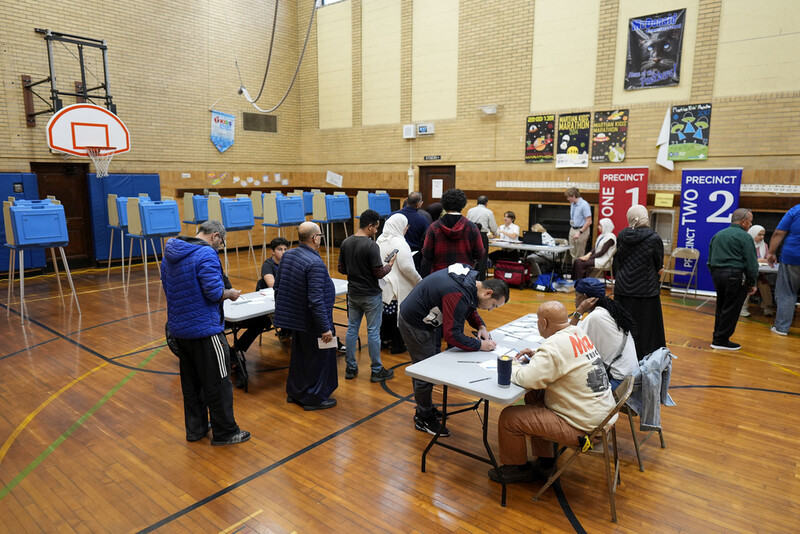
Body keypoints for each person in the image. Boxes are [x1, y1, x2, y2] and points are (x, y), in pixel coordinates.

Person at [488, 301, 616, 483]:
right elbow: (564, 357)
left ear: (543, 323)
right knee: (534, 395)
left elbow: (526, 378)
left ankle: (517, 468)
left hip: (585, 428)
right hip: (602, 416)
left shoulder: (553, 347)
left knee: (510, 417)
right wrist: (538, 355)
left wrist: (513, 365)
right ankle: (546, 461)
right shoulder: (577, 332)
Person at [161, 220, 250, 445]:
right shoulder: (206, 254)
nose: (220, 247)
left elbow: (168, 287)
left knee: (192, 385)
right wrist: (229, 293)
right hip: (206, 330)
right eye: (222, 243)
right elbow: (212, 293)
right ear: (215, 236)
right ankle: (226, 432)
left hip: (180, 330)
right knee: (219, 383)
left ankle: (196, 429)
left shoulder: (171, 253)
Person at [398, 264, 509, 436]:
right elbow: (452, 336)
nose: (490, 310)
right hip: (415, 323)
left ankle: (425, 408)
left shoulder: (470, 281)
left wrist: (480, 325)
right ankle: (423, 417)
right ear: (488, 293)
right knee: (424, 372)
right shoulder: (457, 292)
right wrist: (480, 345)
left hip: (424, 318)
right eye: (493, 305)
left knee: (428, 368)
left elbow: (468, 305)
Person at [274, 222, 338, 410]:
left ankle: (295, 392)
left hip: (296, 318)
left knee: (300, 357)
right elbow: (316, 300)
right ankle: (313, 398)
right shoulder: (315, 263)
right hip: (314, 321)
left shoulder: (289, 255)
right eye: (320, 235)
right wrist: (325, 327)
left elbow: (278, 287)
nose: (320, 239)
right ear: (314, 238)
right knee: (319, 359)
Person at [338, 209, 396, 382]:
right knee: (373, 333)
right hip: (371, 295)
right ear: (370, 226)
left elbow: (341, 269)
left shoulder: (346, 242)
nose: (377, 231)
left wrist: (356, 270)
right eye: (376, 228)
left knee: (352, 329)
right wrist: (390, 265)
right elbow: (379, 273)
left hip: (353, 294)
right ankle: (377, 370)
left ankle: (350, 368)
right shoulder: (371, 245)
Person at [613, 205, 665, 360]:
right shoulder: (654, 238)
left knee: (623, 327)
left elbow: (619, 261)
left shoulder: (621, 235)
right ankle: (647, 360)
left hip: (622, 289)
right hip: (646, 292)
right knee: (648, 330)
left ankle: (622, 358)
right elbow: (658, 264)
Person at [570, 278, 638, 388]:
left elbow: (566, 338)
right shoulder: (610, 311)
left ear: (585, 297)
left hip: (618, 381)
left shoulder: (595, 317)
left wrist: (579, 311)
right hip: (628, 376)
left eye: (576, 295)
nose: (575, 299)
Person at [707, 208, 758, 350]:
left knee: (721, 306)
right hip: (735, 275)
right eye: (750, 222)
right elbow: (751, 263)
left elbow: (710, 260)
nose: (751, 225)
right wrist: (752, 282)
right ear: (743, 222)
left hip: (717, 274)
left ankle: (717, 336)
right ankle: (721, 340)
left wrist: (715, 274)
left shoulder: (718, 235)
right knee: (732, 308)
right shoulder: (745, 237)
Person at [377, 213, 422, 354]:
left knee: (386, 316)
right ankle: (397, 345)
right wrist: (419, 281)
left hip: (383, 284)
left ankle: (384, 341)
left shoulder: (380, 239)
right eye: (406, 226)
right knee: (398, 317)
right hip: (398, 287)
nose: (406, 229)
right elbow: (407, 267)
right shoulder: (400, 243)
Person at [420, 189, 484, 277]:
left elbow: (427, 254)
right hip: (465, 276)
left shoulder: (434, 227)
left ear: (444, 205)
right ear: (463, 204)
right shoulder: (472, 227)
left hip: (440, 275)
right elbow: (479, 253)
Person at [767, 204, 800, 335]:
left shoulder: (796, 210)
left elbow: (779, 233)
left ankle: (781, 328)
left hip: (793, 256)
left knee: (787, 292)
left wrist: (771, 252)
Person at [740, 224, 774, 317]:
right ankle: (743, 308)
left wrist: (767, 260)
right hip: (747, 274)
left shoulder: (765, 246)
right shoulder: (746, 244)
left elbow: (768, 258)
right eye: (759, 235)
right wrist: (755, 260)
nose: (762, 237)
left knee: (765, 286)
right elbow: (742, 258)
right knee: (747, 285)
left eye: (763, 235)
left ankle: (767, 307)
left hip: (760, 274)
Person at [393, 191, 430, 273]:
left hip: (394, 253)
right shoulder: (422, 219)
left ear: (406, 200)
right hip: (413, 256)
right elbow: (425, 239)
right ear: (419, 204)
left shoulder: (392, 216)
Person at [466, 195, 499, 280]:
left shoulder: (470, 210)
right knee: (482, 258)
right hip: (482, 236)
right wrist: (495, 233)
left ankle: (470, 278)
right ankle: (480, 280)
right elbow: (493, 228)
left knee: (470, 257)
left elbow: (467, 223)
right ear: (486, 203)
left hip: (470, 235)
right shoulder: (488, 212)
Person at [566, 187, 592, 261]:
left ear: (574, 196)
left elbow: (589, 221)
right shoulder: (572, 204)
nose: (568, 199)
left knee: (579, 254)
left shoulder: (584, 205)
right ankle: (574, 271)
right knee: (572, 253)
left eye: (569, 197)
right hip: (573, 229)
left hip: (581, 230)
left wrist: (580, 232)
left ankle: (578, 272)